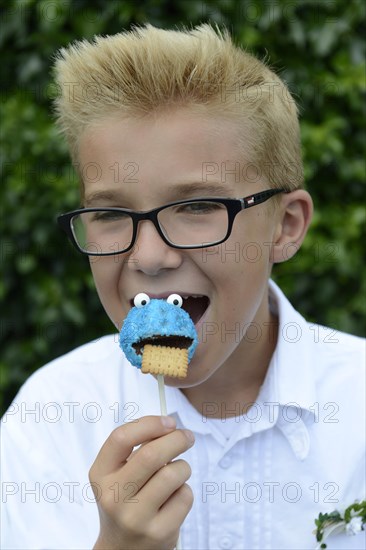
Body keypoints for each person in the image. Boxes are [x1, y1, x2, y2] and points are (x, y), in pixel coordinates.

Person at [1, 24, 365, 550]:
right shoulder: (53, 418)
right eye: (109, 212)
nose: (149, 257)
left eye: (197, 206)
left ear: (285, 227)